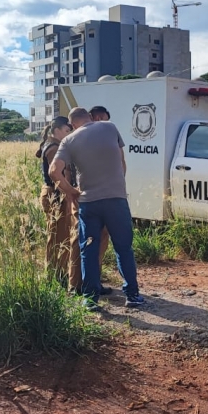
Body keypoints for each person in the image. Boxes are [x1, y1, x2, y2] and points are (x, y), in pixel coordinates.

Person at [50, 107, 145, 310]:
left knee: (88, 251)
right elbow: (122, 162)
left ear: (72, 123)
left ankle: (90, 299)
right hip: (116, 200)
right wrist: (117, 184)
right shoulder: (109, 127)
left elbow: (54, 171)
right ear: (90, 117)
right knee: (123, 249)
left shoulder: (69, 140)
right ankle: (132, 295)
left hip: (88, 203)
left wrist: (71, 191)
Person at [36, 117, 81, 292]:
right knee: (57, 236)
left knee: (59, 234)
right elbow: (58, 174)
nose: (68, 134)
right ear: (56, 130)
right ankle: (56, 274)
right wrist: (70, 191)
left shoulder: (53, 144)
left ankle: (58, 273)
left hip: (56, 193)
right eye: (66, 131)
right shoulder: (54, 147)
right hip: (56, 194)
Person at [88, 106, 112, 267]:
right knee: (99, 236)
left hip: (90, 194)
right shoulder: (94, 138)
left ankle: (90, 279)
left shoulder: (79, 137)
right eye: (105, 120)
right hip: (97, 194)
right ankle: (92, 279)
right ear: (98, 118)